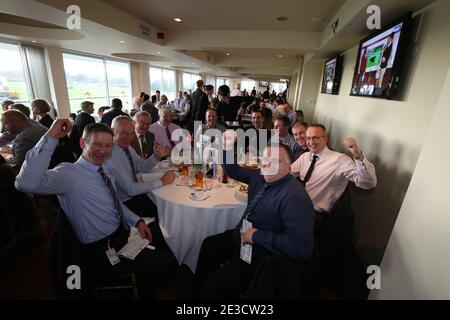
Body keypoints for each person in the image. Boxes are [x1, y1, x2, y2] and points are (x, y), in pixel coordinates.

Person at [15, 120, 178, 297]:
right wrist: (51, 136)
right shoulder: (68, 174)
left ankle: (143, 279)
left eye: (108, 146)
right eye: (97, 144)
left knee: (165, 233)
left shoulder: (104, 171)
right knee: (168, 261)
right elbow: (25, 183)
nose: (103, 150)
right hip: (100, 252)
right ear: (82, 143)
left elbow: (115, 203)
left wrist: (137, 221)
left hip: (120, 235)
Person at [194, 132, 314, 299]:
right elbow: (234, 170)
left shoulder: (295, 197)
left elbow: (302, 247)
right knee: (209, 245)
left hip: (260, 255)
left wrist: (257, 236)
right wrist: (228, 146)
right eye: (265, 160)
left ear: (288, 167)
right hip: (243, 237)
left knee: (213, 287)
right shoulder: (260, 176)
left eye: (275, 161)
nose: (267, 165)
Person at [290, 124, 377, 289]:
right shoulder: (305, 157)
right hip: (300, 209)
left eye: (315, 137)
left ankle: (298, 278)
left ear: (325, 138)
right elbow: (286, 172)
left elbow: (368, 183)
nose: (310, 141)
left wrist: (358, 155)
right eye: (308, 138)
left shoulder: (339, 160)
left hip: (317, 217)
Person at [107, 116, 174, 219]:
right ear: (112, 131)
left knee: (165, 204)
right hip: (124, 204)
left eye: (131, 133)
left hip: (135, 195)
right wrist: (162, 181)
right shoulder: (110, 155)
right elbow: (131, 190)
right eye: (123, 133)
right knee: (165, 213)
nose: (128, 138)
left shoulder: (126, 147)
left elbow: (142, 167)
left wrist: (156, 156)